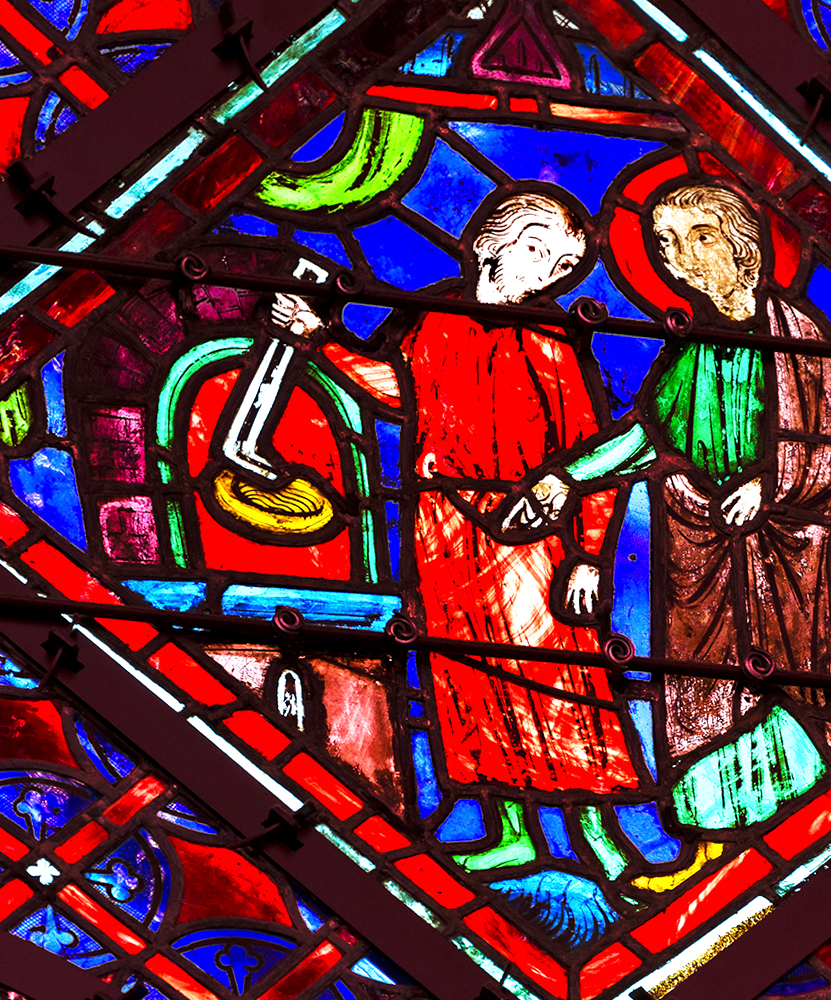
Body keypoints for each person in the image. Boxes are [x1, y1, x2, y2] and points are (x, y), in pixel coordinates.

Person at [272, 191, 638, 869]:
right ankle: (511, 833)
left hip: (529, 533)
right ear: (490, 242)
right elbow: (395, 390)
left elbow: (590, 459)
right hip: (442, 524)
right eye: (534, 249)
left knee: (554, 675)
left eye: (559, 265)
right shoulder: (435, 318)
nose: (543, 272)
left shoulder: (554, 344)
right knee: (464, 673)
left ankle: (600, 838)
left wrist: (588, 556)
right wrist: (318, 340)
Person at [509, 183, 831, 830]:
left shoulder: (799, 334)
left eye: (699, 237)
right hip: (700, 542)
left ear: (742, 244)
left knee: (782, 686)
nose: (679, 258)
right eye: (665, 243)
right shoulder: (691, 347)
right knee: (704, 689)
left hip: (782, 550)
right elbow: (649, 436)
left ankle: (805, 829)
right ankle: (711, 837)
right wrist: (565, 480)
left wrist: (771, 488)